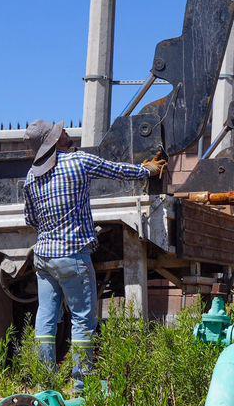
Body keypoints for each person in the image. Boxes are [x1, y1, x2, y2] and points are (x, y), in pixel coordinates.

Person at [22, 120, 166, 388]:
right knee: (82, 318)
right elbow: (116, 171)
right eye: (60, 132)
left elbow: (31, 218)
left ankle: (45, 381)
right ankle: (82, 384)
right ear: (55, 142)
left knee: (46, 317)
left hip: (43, 256)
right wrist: (148, 170)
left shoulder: (31, 176)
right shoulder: (78, 162)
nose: (65, 133)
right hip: (72, 254)